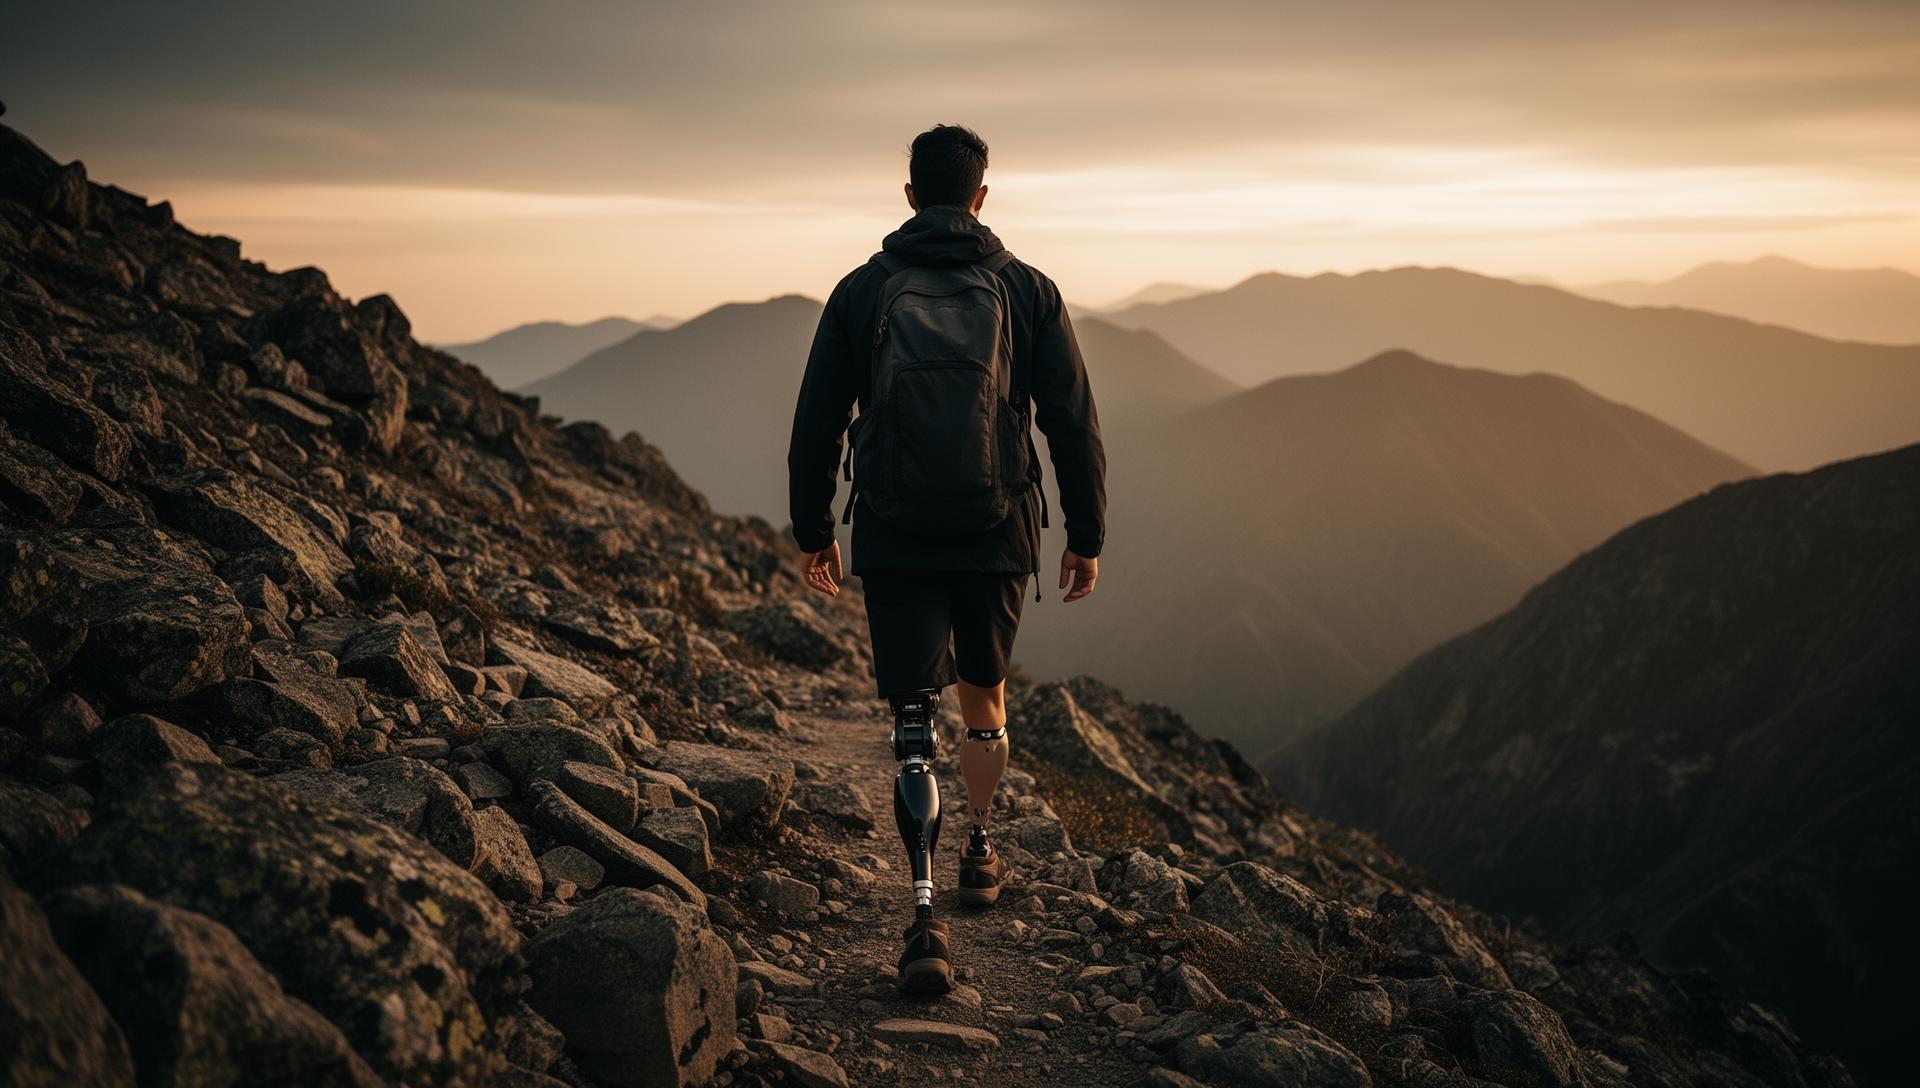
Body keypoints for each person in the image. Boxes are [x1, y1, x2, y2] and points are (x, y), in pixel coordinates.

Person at [787, 123, 1107, 994]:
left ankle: (923, 917)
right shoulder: (1028, 290)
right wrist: (1086, 533)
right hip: (996, 528)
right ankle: (976, 840)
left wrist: (814, 529)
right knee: (984, 699)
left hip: (892, 527)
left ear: (907, 197)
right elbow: (1071, 421)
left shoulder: (862, 291)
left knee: (911, 725)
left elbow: (816, 420)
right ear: (981, 196)